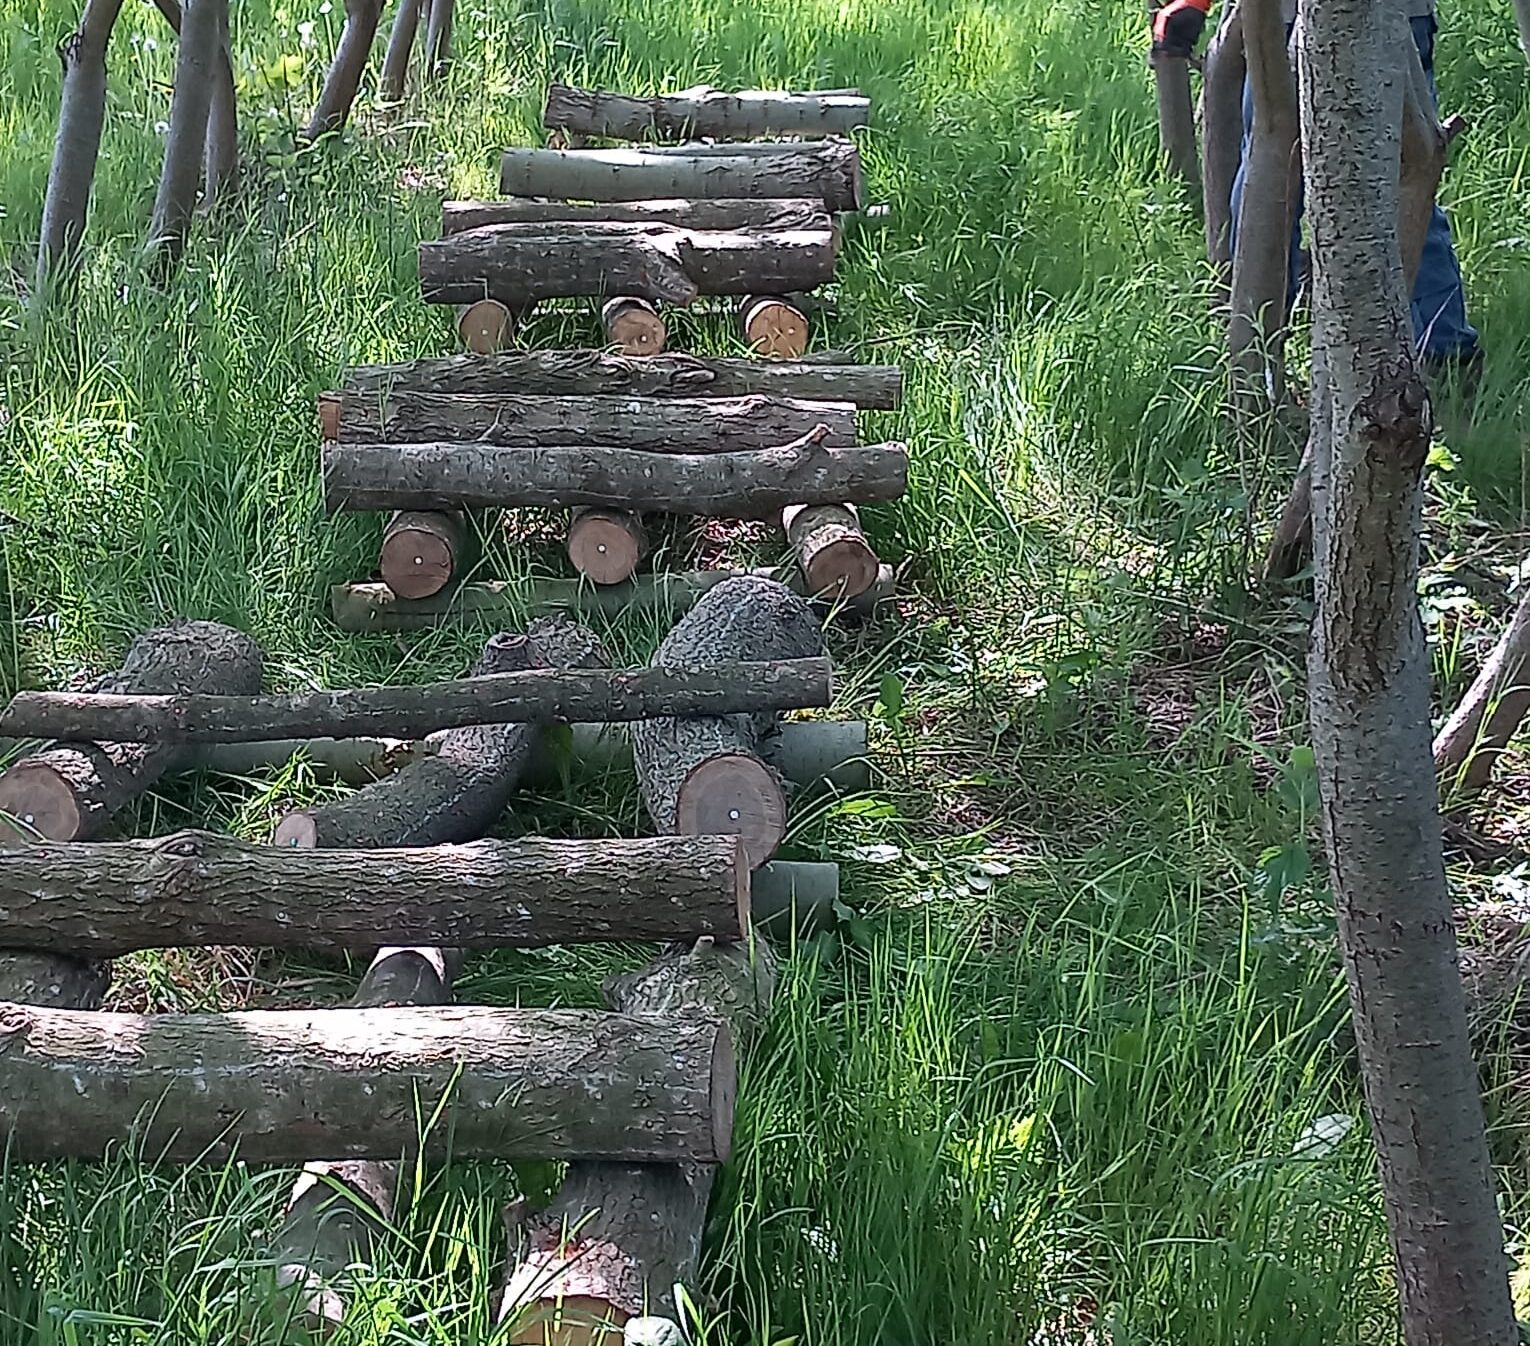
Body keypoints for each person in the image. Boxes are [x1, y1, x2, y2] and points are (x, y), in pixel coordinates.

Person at [1151, 0, 1480, 378]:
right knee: (1394, 177)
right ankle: (1442, 357)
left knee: (1291, 180)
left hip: (1316, 20)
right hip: (1344, 19)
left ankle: (1261, 363)